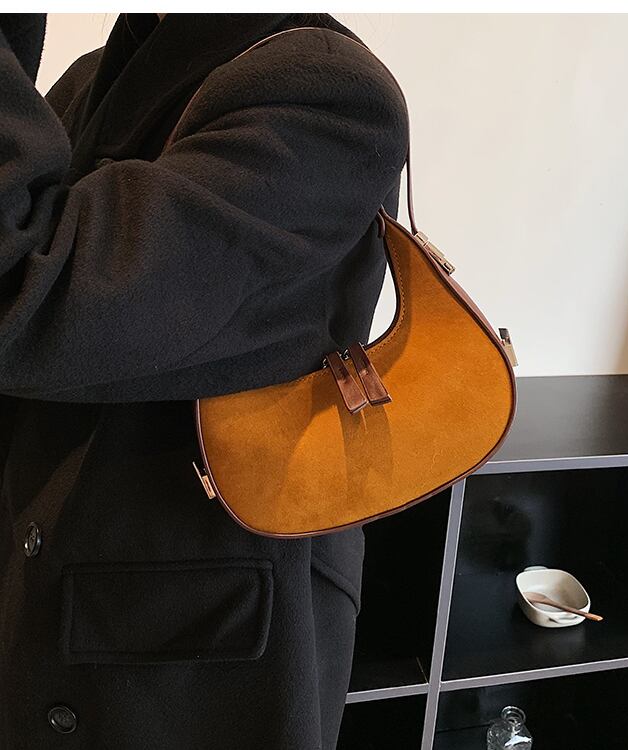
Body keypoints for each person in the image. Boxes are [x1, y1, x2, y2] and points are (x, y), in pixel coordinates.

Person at [0, 12, 408, 749]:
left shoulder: (328, 91)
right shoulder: (95, 78)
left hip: (193, 673)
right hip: (48, 611)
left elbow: (29, 298)